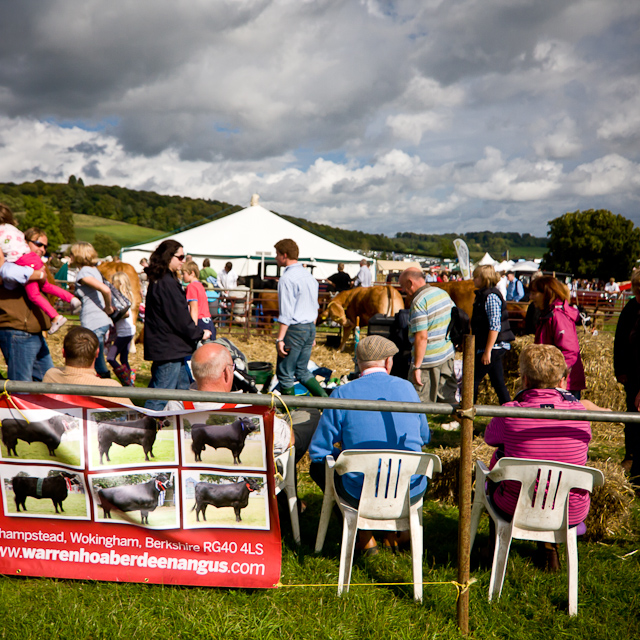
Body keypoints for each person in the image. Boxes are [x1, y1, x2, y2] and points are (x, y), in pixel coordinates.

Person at [308, 335, 430, 555]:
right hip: (408, 489)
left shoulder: (342, 393)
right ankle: (393, 533)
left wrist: (342, 453)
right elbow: (424, 436)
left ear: (357, 361)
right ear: (388, 362)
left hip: (359, 490)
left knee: (320, 467)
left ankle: (364, 538)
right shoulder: (409, 389)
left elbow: (319, 450)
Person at [483, 343, 593, 570]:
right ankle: (549, 549)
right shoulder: (581, 413)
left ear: (524, 380)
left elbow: (489, 437)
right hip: (569, 509)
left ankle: (494, 547)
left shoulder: (511, 411)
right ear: (562, 381)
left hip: (515, 505)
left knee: (497, 462)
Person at [143, 239, 211, 411]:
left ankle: (182, 430)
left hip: (171, 348)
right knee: (159, 398)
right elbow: (179, 316)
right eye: (180, 257)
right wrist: (198, 333)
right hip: (169, 349)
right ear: (168, 257)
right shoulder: (166, 282)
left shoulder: (162, 279)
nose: (183, 260)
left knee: (182, 393)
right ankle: (144, 430)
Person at [0, 208, 79, 334]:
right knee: (46, 287)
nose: (42, 249)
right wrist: (37, 274)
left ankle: (57, 316)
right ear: (25, 241)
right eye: (38, 244)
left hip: (26, 328)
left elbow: (6, 273)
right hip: (21, 326)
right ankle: (71, 299)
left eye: (45, 247)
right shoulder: (15, 237)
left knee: (35, 294)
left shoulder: (22, 262)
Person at [274, 238, 327, 397]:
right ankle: (328, 403)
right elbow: (314, 307)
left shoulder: (286, 279)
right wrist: (313, 334)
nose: (275, 258)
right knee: (302, 371)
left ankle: (288, 414)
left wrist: (280, 339)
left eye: (277, 254)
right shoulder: (309, 277)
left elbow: (286, 313)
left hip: (295, 329)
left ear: (284, 255)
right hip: (309, 327)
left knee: (285, 373)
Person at [398, 267, 457, 406]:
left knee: (416, 403)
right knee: (448, 399)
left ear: (410, 283)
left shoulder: (419, 302)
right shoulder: (442, 293)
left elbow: (421, 337)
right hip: (446, 354)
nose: (403, 290)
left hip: (427, 361)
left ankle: (419, 428)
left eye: (402, 286)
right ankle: (468, 426)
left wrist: (417, 367)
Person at [43, 326, 133, 405]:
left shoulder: (51, 376)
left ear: (63, 352)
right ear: (97, 353)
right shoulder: (111, 388)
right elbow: (136, 418)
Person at [529, 275, 585, 400]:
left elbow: (569, 351)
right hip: (554, 380)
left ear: (546, 293)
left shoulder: (558, 316)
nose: (531, 297)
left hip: (561, 384)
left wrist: (557, 378)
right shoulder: (548, 315)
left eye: (534, 293)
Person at [471, 265, 515, 405]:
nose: (473, 280)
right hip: (492, 346)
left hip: (493, 346)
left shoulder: (490, 297)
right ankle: (509, 414)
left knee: (472, 381)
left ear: (483, 278)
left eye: (476, 277)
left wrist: (487, 351)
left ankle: (466, 414)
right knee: (498, 383)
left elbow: (495, 326)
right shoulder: (484, 295)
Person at [70, 242, 114, 379]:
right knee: (96, 360)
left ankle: (107, 390)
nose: (69, 256)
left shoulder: (84, 273)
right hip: (99, 321)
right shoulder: (94, 269)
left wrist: (108, 307)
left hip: (93, 321)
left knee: (96, 363)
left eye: (71, 253)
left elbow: (105, 290)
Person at [614, 269, 640, 478]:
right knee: (632, 417)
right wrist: (620, 369)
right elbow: (620, 339)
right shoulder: (632, 308)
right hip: (633, 374)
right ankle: (630, 456)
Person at [105, 271, 137, 386]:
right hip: (129, 331)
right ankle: (130, 382)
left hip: (124, 333)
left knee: (110, 357)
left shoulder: (120, 298)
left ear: (119, 283)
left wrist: (112, 314)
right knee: (124, 359)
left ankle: (126, 381)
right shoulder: (128, 295)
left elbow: (126, 314)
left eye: (113, 283)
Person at [182, 261, 215, 339]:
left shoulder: (191, 287)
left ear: (192, 273)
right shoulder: (200, 285)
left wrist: (193, 328)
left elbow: (194, 308)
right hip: (208, 320)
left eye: (184, 273)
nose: (182, 276)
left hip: (199, 321)